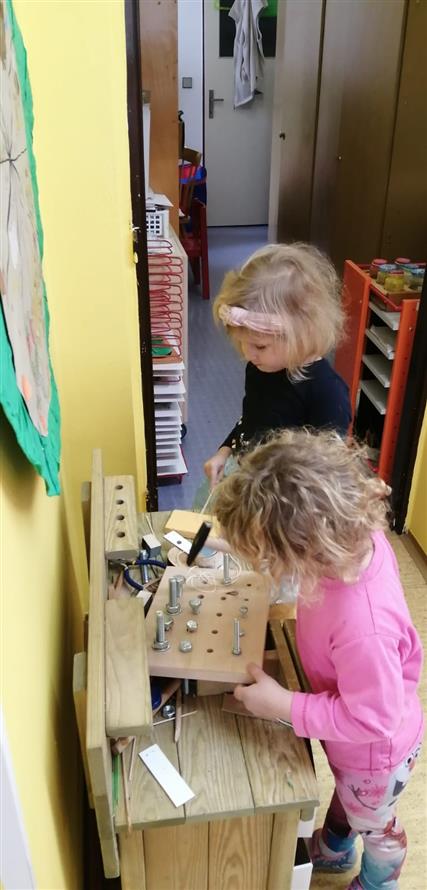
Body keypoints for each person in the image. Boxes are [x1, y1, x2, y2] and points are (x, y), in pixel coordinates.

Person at [213, 429, 424, 890]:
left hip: (375, 752)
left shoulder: (364, 626)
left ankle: (378, 883)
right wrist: (239, 543)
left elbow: (373, 719)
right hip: (355, 737)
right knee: (349, 800)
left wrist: (285, 706)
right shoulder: (349, 535)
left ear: (306, 548)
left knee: (378, 827)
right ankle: (334, 849)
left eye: (272, 555)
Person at [204, 242, 352, 487]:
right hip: (248, 480)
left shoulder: (327, 393)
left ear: (302, 335)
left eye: (260, 346)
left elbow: (328, 475)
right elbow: (252, 421)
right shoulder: (260, 367)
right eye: (242, 343)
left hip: (287, 500)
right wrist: (224, 451)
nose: (248, 354)